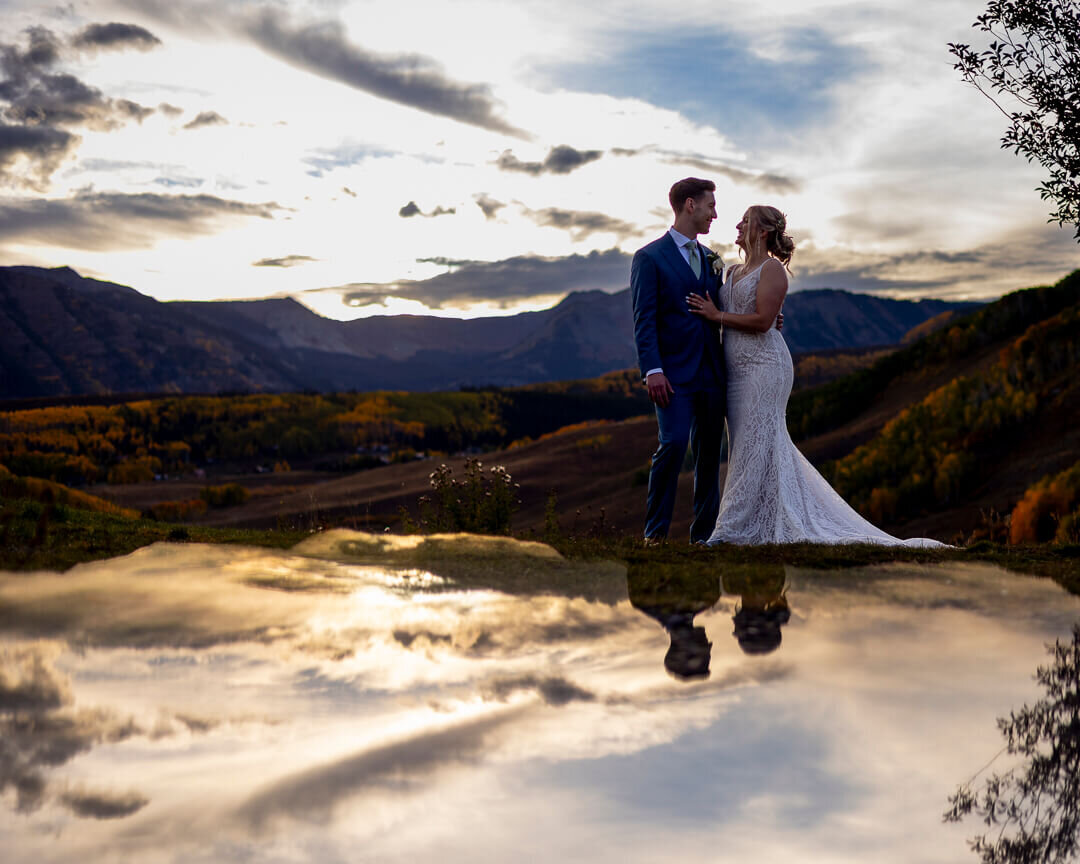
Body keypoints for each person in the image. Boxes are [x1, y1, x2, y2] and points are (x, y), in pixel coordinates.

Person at [686, 205, 947, 547]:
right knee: (747, 445)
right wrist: (720, 314)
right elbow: (752, 313)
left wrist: (716, 315)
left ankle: (733, 529)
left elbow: (764, 322)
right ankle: (759, 521)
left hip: (765, 368)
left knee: (756, 441)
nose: (737, 224)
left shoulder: (773, 270)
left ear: (763, 231)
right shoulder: (732, 271)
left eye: (745, 220)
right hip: (735, 372)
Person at [630, 177, 728, 544]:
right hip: (672, 375)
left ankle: (703, 537)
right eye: (710, 206)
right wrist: (652, 369)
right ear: (690, 205)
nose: (714, 214)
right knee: (671, 446)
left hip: (712, 372)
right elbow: (645, 319)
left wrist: (766, 317)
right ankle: (654, 536)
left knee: (709, 457)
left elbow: (725, 306)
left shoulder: (710, 259)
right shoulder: (649, 258)